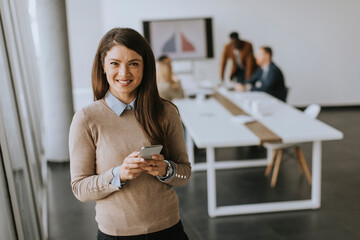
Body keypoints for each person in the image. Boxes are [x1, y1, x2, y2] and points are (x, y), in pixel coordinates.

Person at [69, 28, 191, 240]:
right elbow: (80, 189)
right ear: (103, 66)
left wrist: (166, 169)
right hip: (116, 234)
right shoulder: (86, 118)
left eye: (134, 63)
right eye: (115, 63)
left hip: (169, 230)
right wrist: (119, 174)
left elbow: (184, 174)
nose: (124, 73)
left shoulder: (166, 112)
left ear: (145, 67)